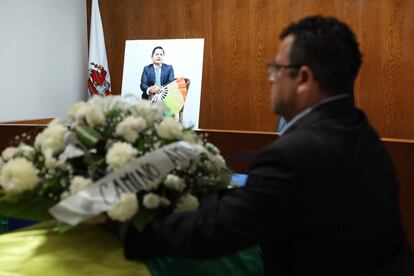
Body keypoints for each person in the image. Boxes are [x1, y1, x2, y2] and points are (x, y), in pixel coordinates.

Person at [123, 16, 414, 275]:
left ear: (303, 78)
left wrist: (127, 222)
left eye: (276, 68)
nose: (270, 78)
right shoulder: (361, 132)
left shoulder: (294, 154)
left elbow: (210, 233)